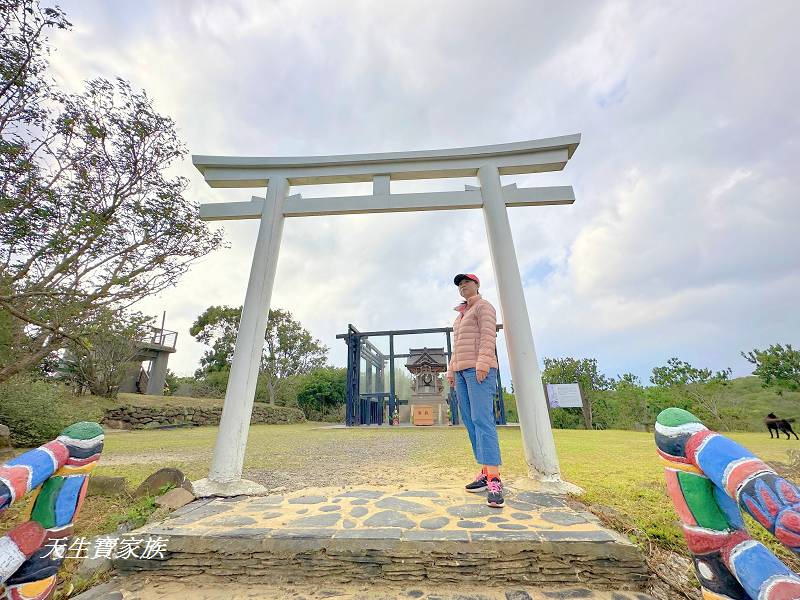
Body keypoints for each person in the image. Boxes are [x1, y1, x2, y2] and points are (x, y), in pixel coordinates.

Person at [446, 273, 503, 507]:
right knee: (470, 422)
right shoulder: (459, 317)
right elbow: (457, 348)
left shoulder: (484, 307)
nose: (462, 286)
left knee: (483, 420)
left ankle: (495, 479)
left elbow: (489, 337)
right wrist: (451, 370)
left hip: (479, 370)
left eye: (467, 282)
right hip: (460, 373)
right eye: (459, 284)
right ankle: (483, 471)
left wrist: (482, 364)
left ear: (477, 285)